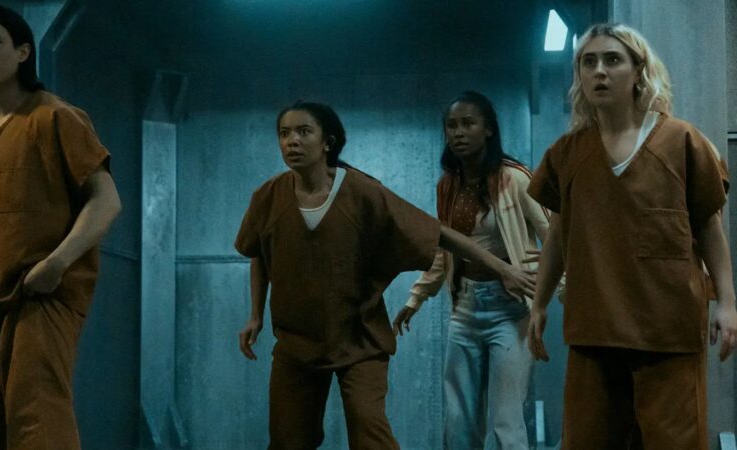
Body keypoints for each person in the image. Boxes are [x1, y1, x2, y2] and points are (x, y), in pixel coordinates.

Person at [234, 101, 535, 449]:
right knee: (288, 439)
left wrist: (502, 268)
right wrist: (255, 315)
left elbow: (435, 233)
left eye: (304, 132)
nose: (292, 141)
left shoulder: (360, 192)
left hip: (359, 338)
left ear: (327, 142)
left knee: (370, 433)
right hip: (296, 343)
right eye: (284, 133)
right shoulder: (268, 197)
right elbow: (258, 251)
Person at [526, 23, 737, 449]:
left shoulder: (681, 141)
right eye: (589, 62)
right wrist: (539, 303)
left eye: (612, 60)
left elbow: (709, 228)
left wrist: (728, 304)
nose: (599, 71)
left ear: (639, 70)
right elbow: (559, 236)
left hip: (668, 331)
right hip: (594, 330)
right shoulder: (568, 153)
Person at [0, 5, 121, 450]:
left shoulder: (54, 117)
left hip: (41, 298)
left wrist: (57, 263)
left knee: (39, 426)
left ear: (22, 52)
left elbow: (107, 201)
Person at [392, 91, 548, 450]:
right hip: (464, 309)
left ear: (488, 129)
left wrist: (557, 293)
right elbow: (445, 249)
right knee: (459, 423)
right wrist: (416, 298)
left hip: (510, 310)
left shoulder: (514, 178)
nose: (459, 132)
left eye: (468, 124)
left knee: (506, 421)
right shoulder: (448, 185)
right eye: (452, 126)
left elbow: (554, 237)